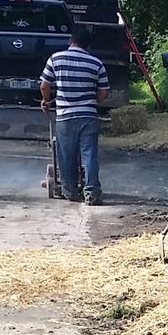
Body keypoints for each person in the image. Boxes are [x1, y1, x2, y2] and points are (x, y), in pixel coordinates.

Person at [39, 23, 110, 205]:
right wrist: (91, 99)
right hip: (88, 116)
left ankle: (70, 191)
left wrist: (46, 101)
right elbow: (104, 92)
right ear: (88, 45)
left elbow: (44, 85)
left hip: (66, 117)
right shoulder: (96, 63)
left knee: (66, 155)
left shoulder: (56, 58)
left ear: (71, 41)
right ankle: (92, 193)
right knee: (90, 154)